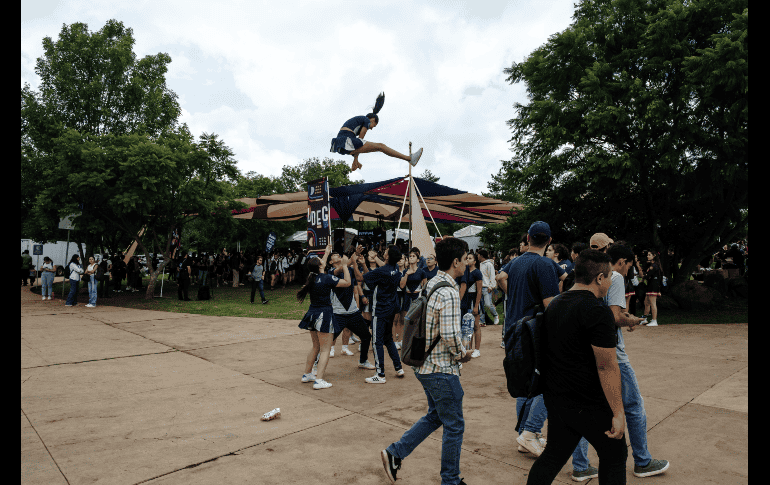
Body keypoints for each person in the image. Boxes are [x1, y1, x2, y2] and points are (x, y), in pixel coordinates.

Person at [526, 249, 628, 485]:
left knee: (554, 454)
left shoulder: (556, 304)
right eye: (609, 276)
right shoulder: (596, 311)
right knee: (614, 454)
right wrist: (618, 413)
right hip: (588, 402)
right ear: (600, 278)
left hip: (557, 398)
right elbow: (607, 367)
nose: (610, 281)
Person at [569, 243, 669, 480]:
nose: (629, 271)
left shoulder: (590, 279)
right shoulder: (614, 278)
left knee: (586, 408)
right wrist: (631, 320)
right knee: (634, 406)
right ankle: (643, 461)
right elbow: (613, 316)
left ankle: (581, 465)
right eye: (630, 264)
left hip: (587, 351)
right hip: (613, 353)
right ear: (622, 262)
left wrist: (626, 319)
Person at [380, 237, 473, 485]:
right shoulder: (450, 291)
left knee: (436, 416)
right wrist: (463, 353)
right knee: (454, 427)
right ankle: (450, 480)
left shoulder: (433, 283)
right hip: (441, 369)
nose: (467, 263)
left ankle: (394, 453)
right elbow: (451, 334)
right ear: (455, 262)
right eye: (465, 259)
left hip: (425, 365)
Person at [495, 221, 561, 457]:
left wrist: (512, 294)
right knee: (548, 381)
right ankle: (530, 432)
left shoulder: (517, 261)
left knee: (524, 382)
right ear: (549, 241)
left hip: (513, 328)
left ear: (529, 238)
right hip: (533, 331)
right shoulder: (544, 264)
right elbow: (550, 303)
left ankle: (525, 435)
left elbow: (499, 276)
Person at [297, 245, 351, 390]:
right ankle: (319, 380)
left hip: (312, 314)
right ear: (320, 265)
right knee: (325, 349)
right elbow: (347, 283)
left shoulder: (311, 277)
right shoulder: (327, 278)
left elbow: (319, 265)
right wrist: (345, 266)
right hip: (324, 314)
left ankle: (307, 374)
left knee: (316, 346)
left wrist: (327, 253)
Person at [330, 93, 423, 172]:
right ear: (373, 119)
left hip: (341, 144)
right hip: (345, 140)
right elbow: (360, 140)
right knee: (381, 146)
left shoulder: (357, 123)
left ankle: (409, 159)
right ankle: (410, 159)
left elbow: (356, 145)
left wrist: (355, 160)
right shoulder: (366, 120)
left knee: (379, 147)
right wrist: (355, 160)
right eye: (374, 125)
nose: (371, 128)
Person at [361, 246, 407, 384]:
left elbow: (362, 277)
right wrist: (375, 259)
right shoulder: (396, 270)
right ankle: (398, 367)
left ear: (387, 256)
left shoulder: (382, 271)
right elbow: (384, 267)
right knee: (388, 339)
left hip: (380, 310)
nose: (384, 252)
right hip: (391, 308)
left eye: (386, 251)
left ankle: (380, 374)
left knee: (377, 341)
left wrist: (361, 263)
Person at [399, 248, 427, 348]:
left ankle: (415, 341)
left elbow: (425, 286)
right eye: (410, 256)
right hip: (407, 296)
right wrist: (406, 274)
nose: (411, 258)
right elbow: (402, 286)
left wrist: (421, 295)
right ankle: (404, 341)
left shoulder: (421, 272)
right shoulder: (405, 271)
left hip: (417, 297)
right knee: (405, 319)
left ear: (418, 260)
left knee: (416, 320)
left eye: (413, 256)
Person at [460, 253, 484, 357]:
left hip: (474, 299)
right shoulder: (464, 271)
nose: (468, 260)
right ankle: (467, 347)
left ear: (474, 262)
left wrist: (476, 305)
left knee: (475, 325)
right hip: (465, 300)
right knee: (466, 326)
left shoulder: (477, 273)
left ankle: (477, 349)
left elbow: (479, 291)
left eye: (470, 258)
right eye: (466, 258)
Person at [476, 248, 499, 326]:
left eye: (478, 255)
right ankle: (482, 321)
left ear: (482, 256)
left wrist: (491, 286)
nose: (477, 256)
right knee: (481, 305)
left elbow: (492, 276)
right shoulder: (480, 264)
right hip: (480, 287)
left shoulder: (489, 264)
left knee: (488, 304)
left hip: (486, 287)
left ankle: (496, 315)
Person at [641, 250, 662, 326]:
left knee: (653, 303)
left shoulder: (654, 266)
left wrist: (643, 275)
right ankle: (645, 319)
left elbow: (647, 275)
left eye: (649, 255)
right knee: (646, 302)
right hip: (650, 286)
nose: (647, 256)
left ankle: (654, 320)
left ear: (654, 256)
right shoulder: (653, 265)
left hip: (653, 286)